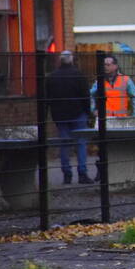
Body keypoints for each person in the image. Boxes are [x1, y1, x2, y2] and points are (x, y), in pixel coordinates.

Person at [46, 50, 94, 184]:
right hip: (78, 113)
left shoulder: (52, 77)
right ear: (71, 59)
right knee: (81, 143)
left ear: (60, 60)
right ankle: (82, 173)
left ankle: (67, 174)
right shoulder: (79, 75)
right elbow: (86, 96)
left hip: (60, 115)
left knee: (64, 144)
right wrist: (88, 112)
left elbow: (48, 98)